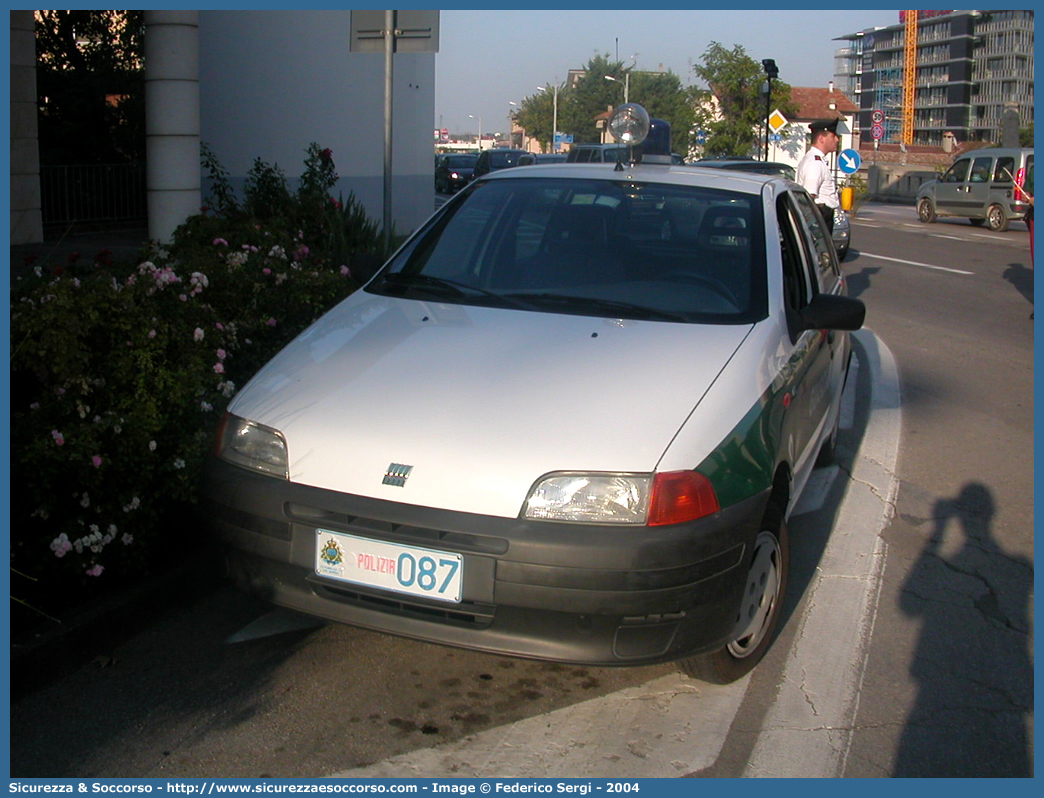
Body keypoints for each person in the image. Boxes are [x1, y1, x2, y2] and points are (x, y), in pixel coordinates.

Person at [796, 118, 841, 234]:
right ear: (821, 139)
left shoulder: (816, 160)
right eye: (833, 136)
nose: (837, 140)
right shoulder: (815, 163)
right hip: (819, 220)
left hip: (821, 219)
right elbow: (808, 197)